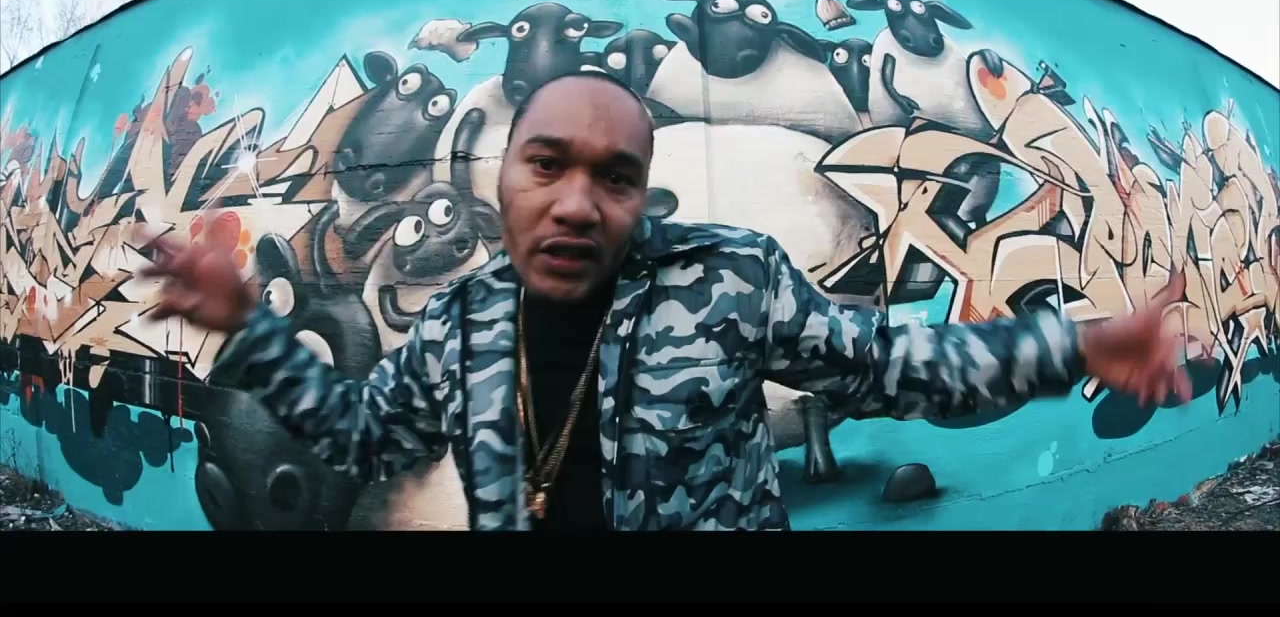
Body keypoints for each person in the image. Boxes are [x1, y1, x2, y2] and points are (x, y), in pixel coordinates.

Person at [141, 71, 1192, 531]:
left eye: (613, 177)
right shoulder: (460, 324)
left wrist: (1076, 345)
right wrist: (250, 331)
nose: (576, 202)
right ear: (502, 179)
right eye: (546, 165)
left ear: (642, 194)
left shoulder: (728, 278)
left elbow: (892, 369)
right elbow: (367, 438)